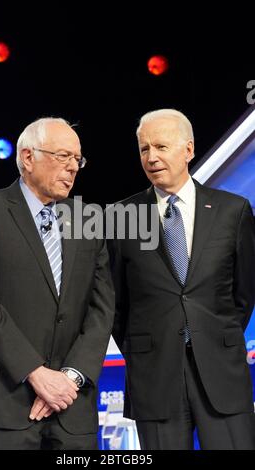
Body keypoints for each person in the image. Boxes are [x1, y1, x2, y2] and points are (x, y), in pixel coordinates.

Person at [0, 117, 114, 450]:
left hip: (72, 405)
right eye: (63, 156)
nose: (73, 167)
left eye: (77, 159)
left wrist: (69, 377)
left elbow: (102, 308)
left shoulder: (89, 218)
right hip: (6, 401)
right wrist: (36, 374)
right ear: (28, 157)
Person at [108, 109, 255, 450]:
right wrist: (144, 347)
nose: (151, 157)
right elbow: (115, 303)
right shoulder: (120, 217)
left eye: (160, 146)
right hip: (154, 378)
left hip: (222, 373)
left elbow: (244, 293)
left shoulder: (233, 211)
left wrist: (216, 335)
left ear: (188, 150)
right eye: (144, 149)